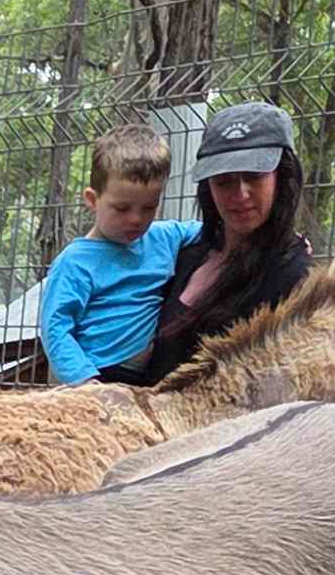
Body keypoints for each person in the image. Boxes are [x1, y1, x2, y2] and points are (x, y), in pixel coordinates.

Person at [109, 101, 312, 389]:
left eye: (254, 176)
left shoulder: (293, 277)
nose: (240, 194)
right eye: (224, 181)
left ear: (283, 176)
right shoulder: (183, 255)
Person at [39, 124, 199, 385]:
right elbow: (55, 329)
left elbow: (216, 230)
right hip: (93, 374)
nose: (136, 219)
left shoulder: (165, 237)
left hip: (148, 376)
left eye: (149, 207)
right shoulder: (76, 262)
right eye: (122, 208)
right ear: (92, 199)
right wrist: (84, 381)